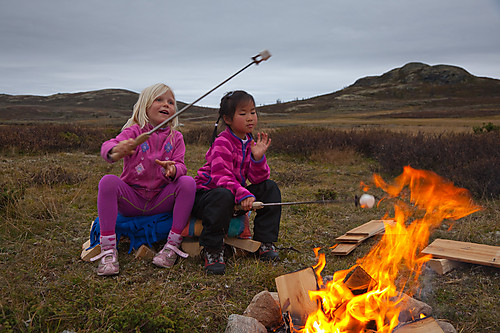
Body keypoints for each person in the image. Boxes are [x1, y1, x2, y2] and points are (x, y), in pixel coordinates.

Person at [92, 83, 196, 276]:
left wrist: (174, 170)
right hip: (132, 200)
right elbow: (109, 145)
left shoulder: (176, 137)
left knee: (188, 182)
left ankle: (172, 245)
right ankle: (108, 250)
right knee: (107, 181)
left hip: (160, 200)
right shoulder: (135, 131)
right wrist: (116, 150)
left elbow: (181, 165)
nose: (166, 105)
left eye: (171, 102)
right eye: (159, 99)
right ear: (145, 106)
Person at [192, 90, 281, 275]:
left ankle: (264, 242)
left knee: (270, 187)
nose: (250, 118)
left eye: (253, 112)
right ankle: (213, 249)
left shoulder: (248, 142)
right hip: (207, 196)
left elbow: (258, 179)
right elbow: (220, 178)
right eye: (243, 113)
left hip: (231, 194)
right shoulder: (222, 142)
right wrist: (243, 194)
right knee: (223, 194)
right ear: (228, 118)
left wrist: (257, 158)